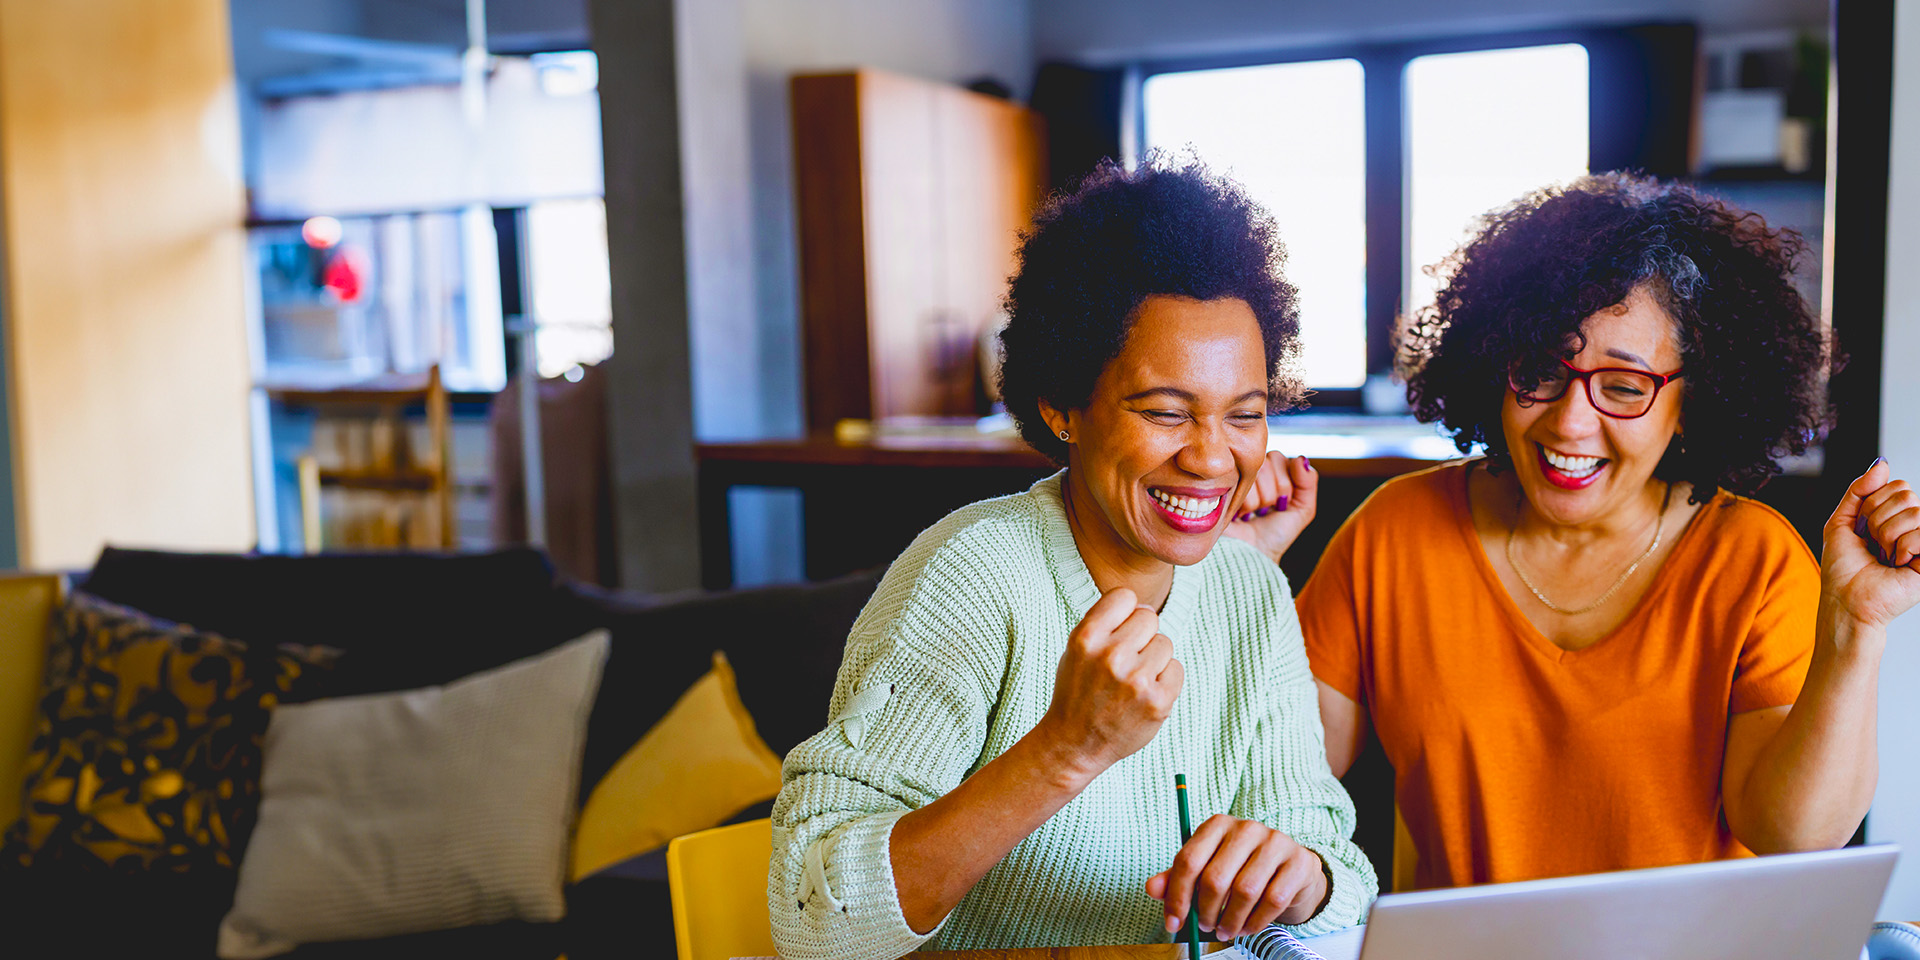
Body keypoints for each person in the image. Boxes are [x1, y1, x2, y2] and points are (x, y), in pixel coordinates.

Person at [1229, 171, 1920, 891]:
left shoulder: (1751, 560)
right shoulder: (1396, 533)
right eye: (1539, 371)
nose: (1569, 421)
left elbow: (1793, 835)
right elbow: (1275, 778)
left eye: (1622, 387)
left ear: (1692, 400)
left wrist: (1857, 627)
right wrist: (1235, 581)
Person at [767, 160, 1377, 959]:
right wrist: (1068, 749)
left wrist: (1300, 878)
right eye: (1165, 412)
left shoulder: (1250, 590)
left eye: (1245, 415)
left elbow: (1336, 859)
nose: (1211, 457)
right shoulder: (972, 578)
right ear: (1062, 404)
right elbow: (813, 921)